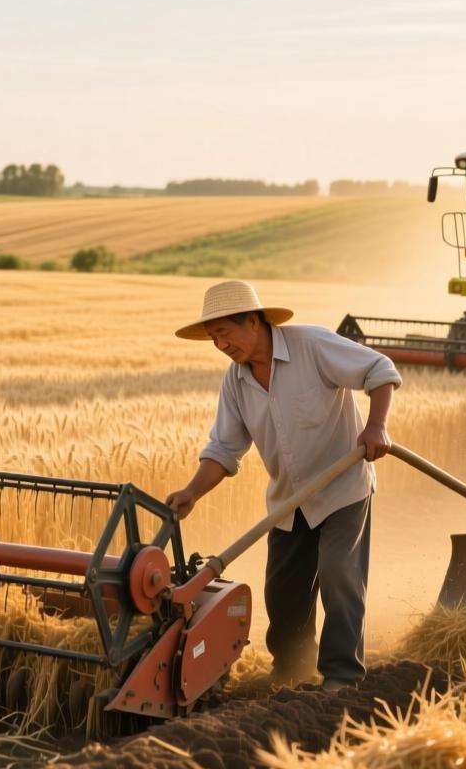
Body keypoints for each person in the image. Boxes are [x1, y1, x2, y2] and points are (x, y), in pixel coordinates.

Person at [166, 280, 401, 692]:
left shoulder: (311, 346)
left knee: (339, 575)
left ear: (254, 322)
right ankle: (292, 671)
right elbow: (224, 448)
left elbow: (380, 371)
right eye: (213, 337)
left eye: (225, 332)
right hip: (289, 502)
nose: (220, 344)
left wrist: (376, 426)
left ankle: (341, 676)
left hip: (342, 489)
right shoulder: (236, 381)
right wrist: (191, 493)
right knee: (283, 594)